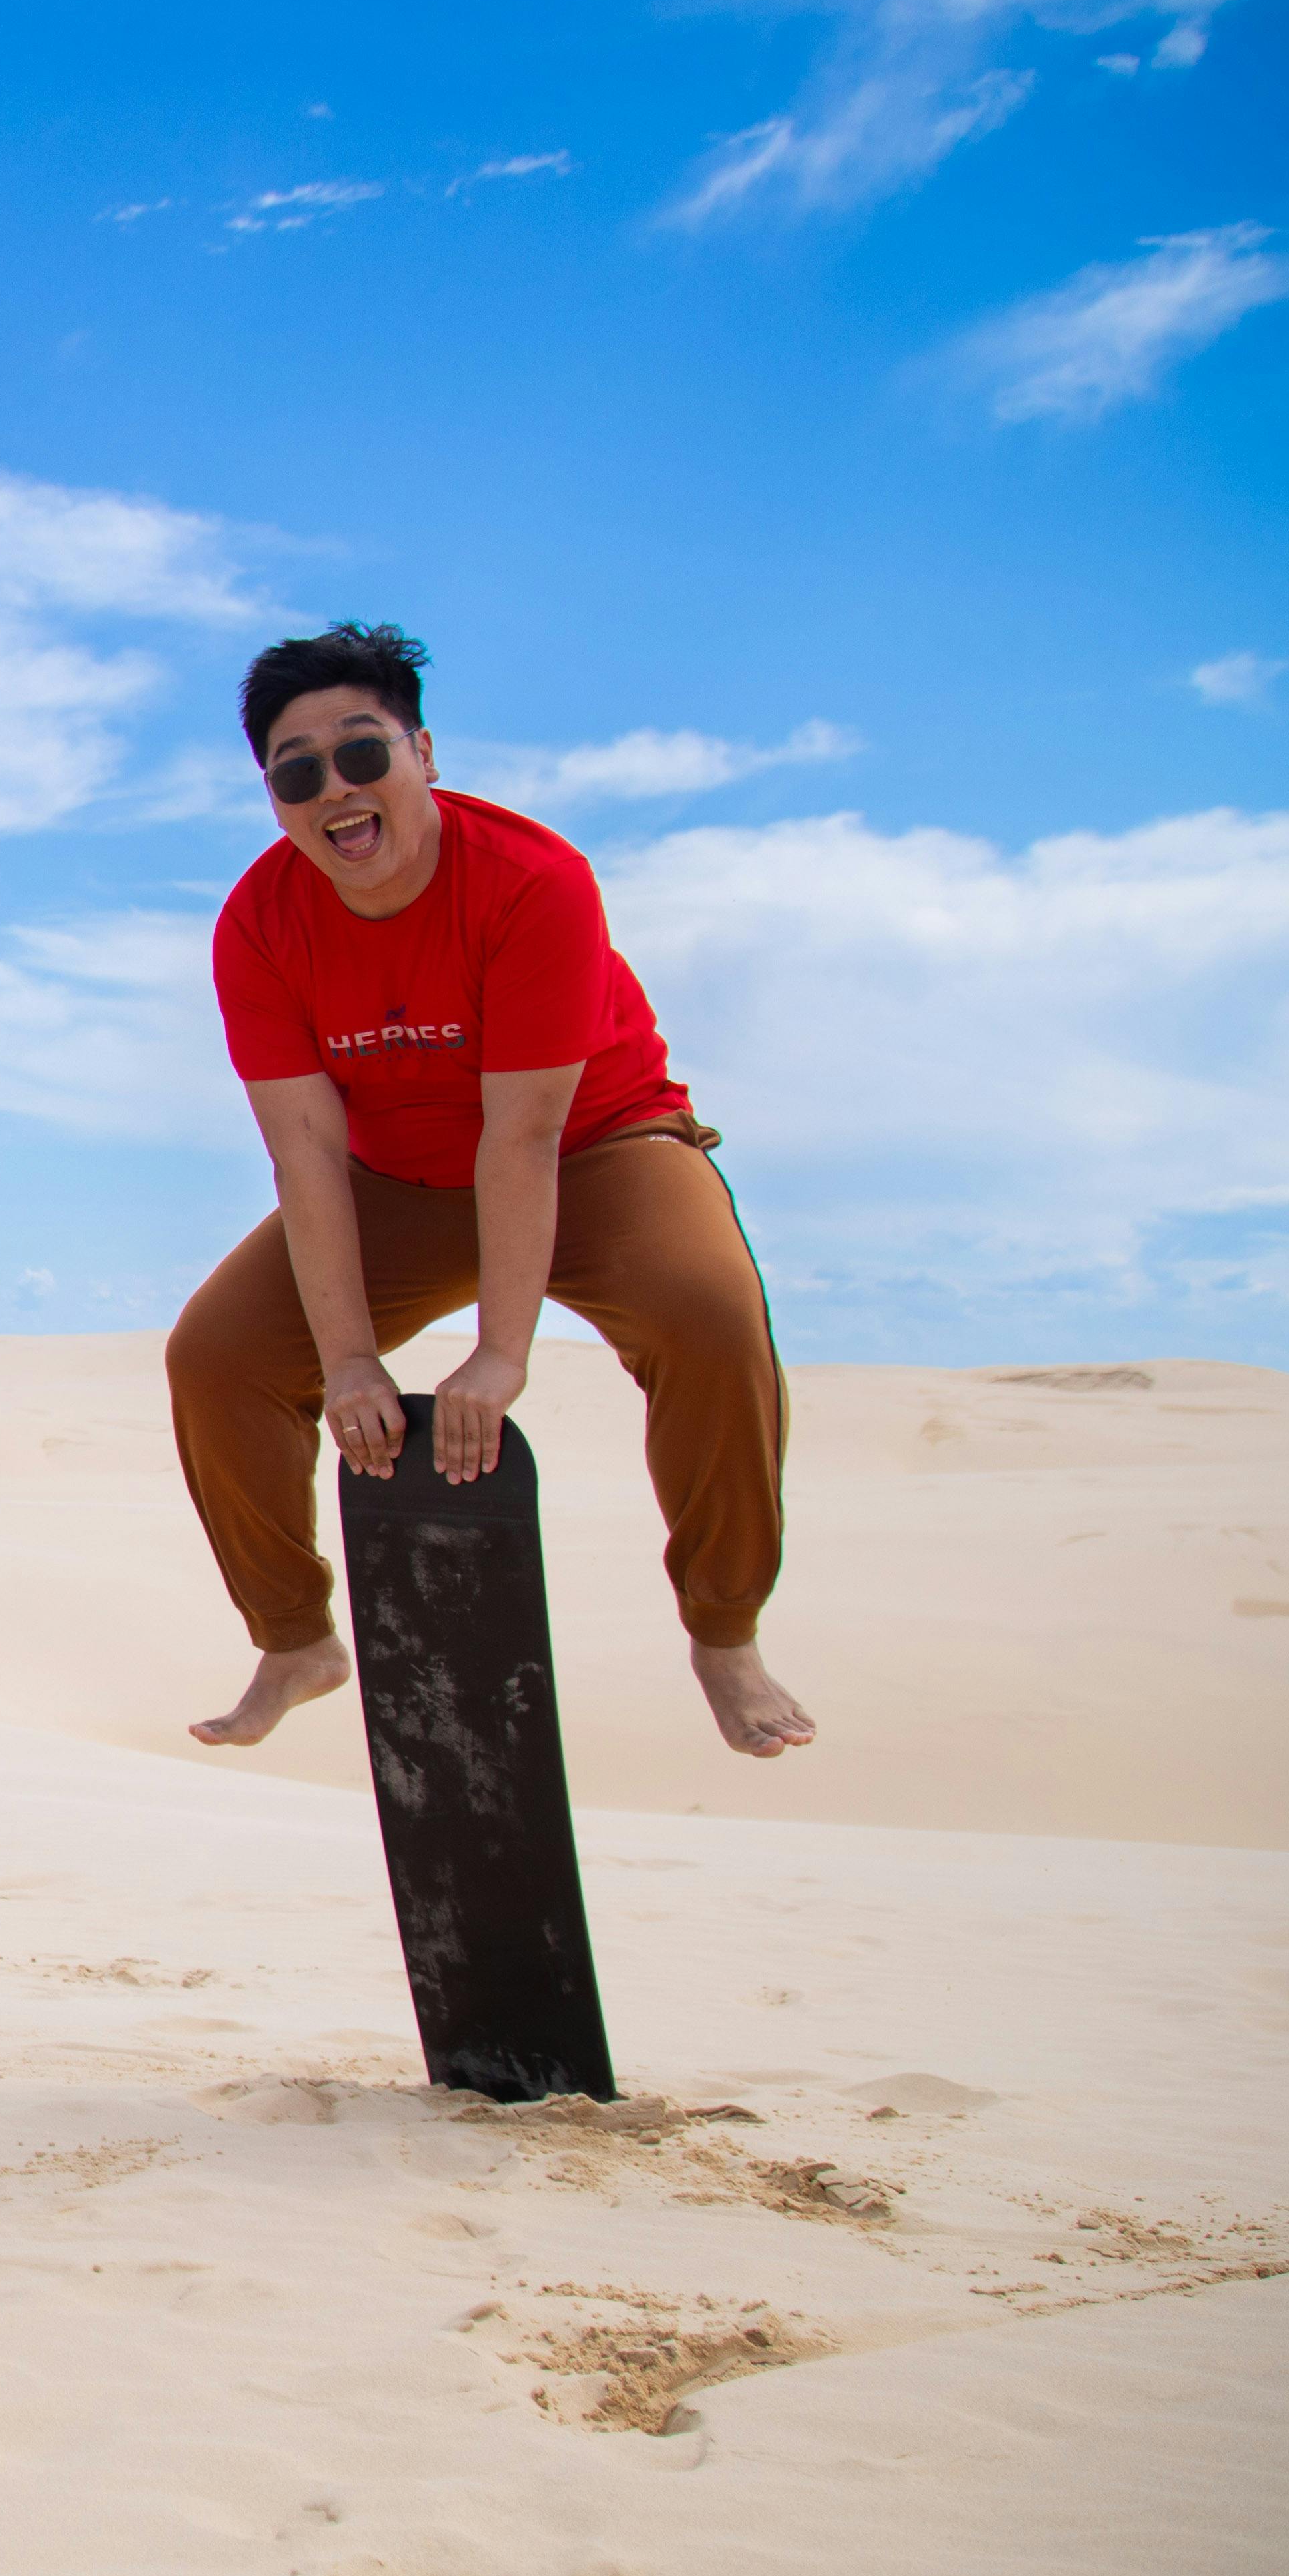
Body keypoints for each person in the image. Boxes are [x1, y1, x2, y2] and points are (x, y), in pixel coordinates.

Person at [169, 621, 813, 1758]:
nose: (336, 790)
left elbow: (523, 1134)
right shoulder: (257, 924)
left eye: (362, 752)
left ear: (422, 751)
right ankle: (293, 1636)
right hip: (394, 1177)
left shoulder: (532, 880)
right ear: (272, 795)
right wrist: (352, 1355)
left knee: (708, 1314)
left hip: (594, 1146)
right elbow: (306, 1157)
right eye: (296, 772)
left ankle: (724, 1628)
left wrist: (498, 1352)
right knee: (217, 1356)